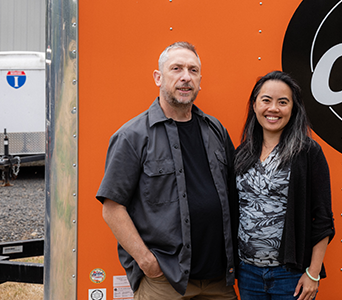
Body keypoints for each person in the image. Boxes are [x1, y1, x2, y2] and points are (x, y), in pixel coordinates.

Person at [96, 42, 238, 300]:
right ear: (158, 77)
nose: (186, 77)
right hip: (165, 282)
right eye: (177, 69)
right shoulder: (133, 136)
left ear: (200, 80)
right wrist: (146, 261)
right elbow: (112, 207)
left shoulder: (216, 130)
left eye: (193, 70)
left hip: (218, 281)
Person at [235, 71, 335, 300]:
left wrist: (313, 273)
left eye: (283, 102)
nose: (273, 109)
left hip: (289, 275)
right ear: (254, 105)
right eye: (266, 100)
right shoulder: (242, 154)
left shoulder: (308, 153)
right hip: (248, 273)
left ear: (293, 108)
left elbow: (322, 218)